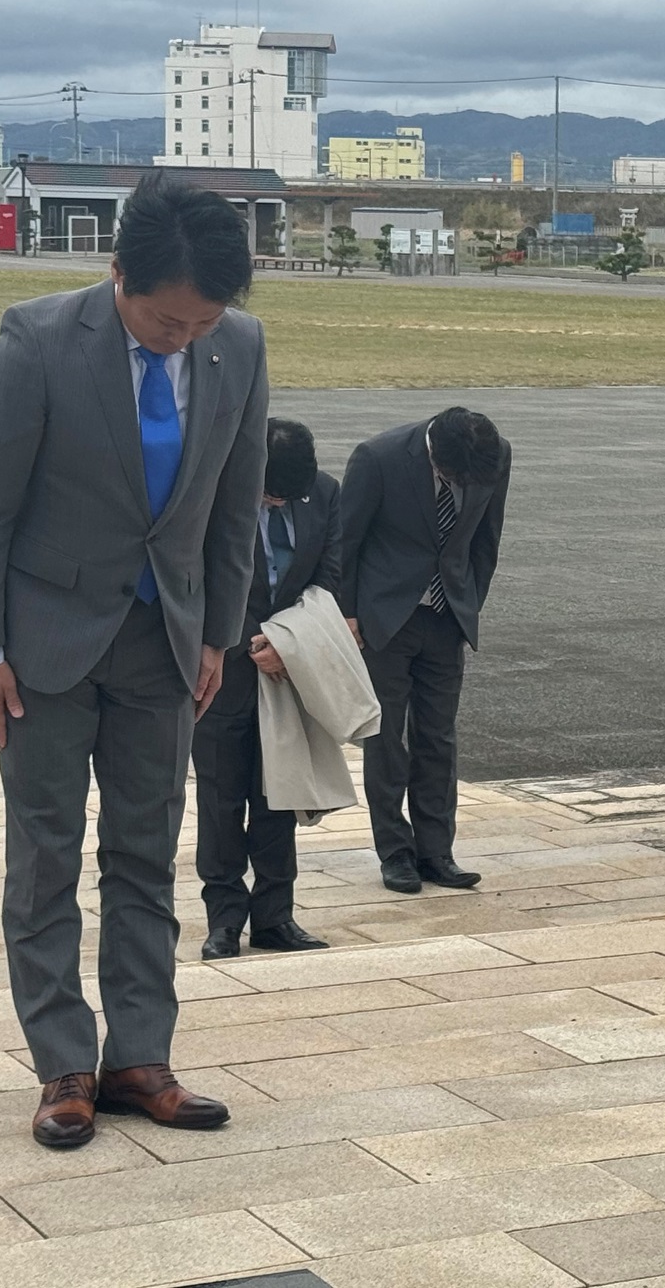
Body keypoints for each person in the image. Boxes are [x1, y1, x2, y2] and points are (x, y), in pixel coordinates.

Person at [0, 176, 269, 1148]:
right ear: (117, 272)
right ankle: (62, 1064)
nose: (183, 337)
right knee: (44, 859)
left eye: (201, 322)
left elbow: (234, 497)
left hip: (165, 641)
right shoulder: (37, 341)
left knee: (144, 851)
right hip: (43, 644)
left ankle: (139, 1057)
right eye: (165, 320)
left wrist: (215, 628)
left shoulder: (237, 345)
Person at [339, 406, 509, 895]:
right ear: (436, 451)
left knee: (438, 738)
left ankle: (437, 852)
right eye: (449, 476)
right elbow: (346, 541)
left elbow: (486, 539)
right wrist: (348, 614)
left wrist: (468, 603)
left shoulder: (493, 455)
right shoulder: (378, 457)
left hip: (446, 617)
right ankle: (395, 853)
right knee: (387, 739)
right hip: (383, 621)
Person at [194, 417, 340, 960]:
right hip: (220, 672)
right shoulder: (210, 491)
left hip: (286, 672)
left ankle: (276, 917)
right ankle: (224, 918)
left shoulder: (323, 492)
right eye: (270, 496)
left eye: (288, 498)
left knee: (280, 794)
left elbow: (331, 576)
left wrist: (289, 642)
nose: (279, 506)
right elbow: (187, 576)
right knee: (221, 796)